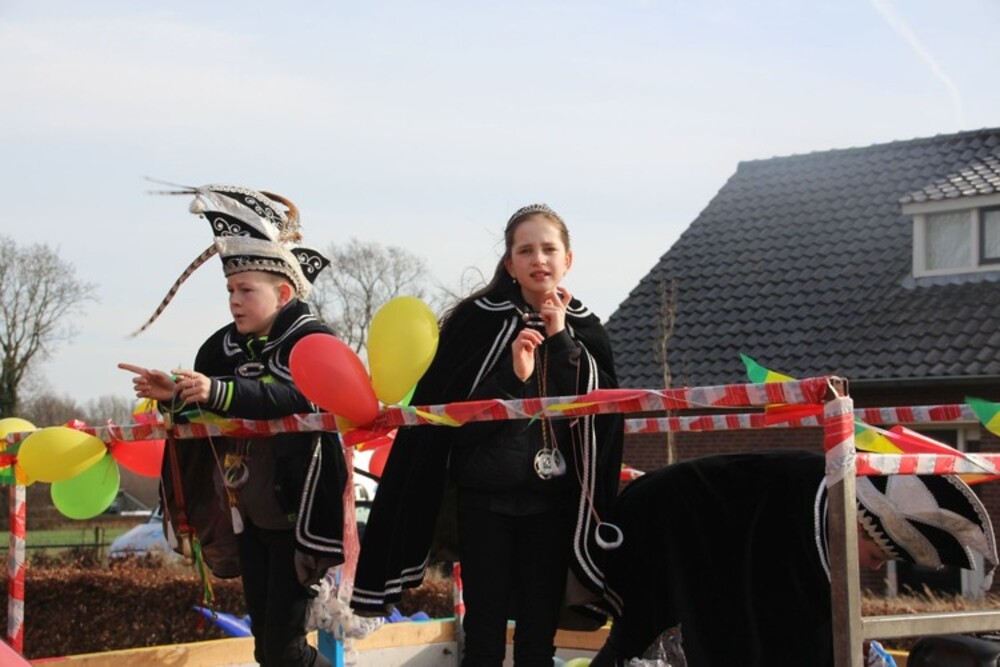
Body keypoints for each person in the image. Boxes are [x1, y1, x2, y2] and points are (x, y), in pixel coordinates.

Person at [350, 203, 625, 666]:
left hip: (553, 506)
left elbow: (598, 416)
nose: (538, 259)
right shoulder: (477, 322)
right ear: (510, 264)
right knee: (484, 635)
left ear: (568, 259)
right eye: (526, 250)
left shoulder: (586, 328)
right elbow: (453, 426)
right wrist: (512, 379)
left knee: (538, 639)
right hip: (485, 504)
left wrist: (561, 338)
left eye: (549, 249)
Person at [119, 184, 346, 667]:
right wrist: (175, 395)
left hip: (297, 517)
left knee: (283, 651)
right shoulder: (218, 348)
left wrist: (218, 392)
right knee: (268, 650)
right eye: (229, 290)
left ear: (283, 293)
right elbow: (208, 415)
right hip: (245, 514)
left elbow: (295, 395)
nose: (234, 301)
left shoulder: (311, 339)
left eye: (246, 290)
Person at [589, 449, 999, 667]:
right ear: (857, 526)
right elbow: (798, 628)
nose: (874, 567)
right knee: (644, 640)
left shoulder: (818, 510)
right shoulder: (802, 522)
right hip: (660, 528)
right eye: (875, 554)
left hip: (691, 532)